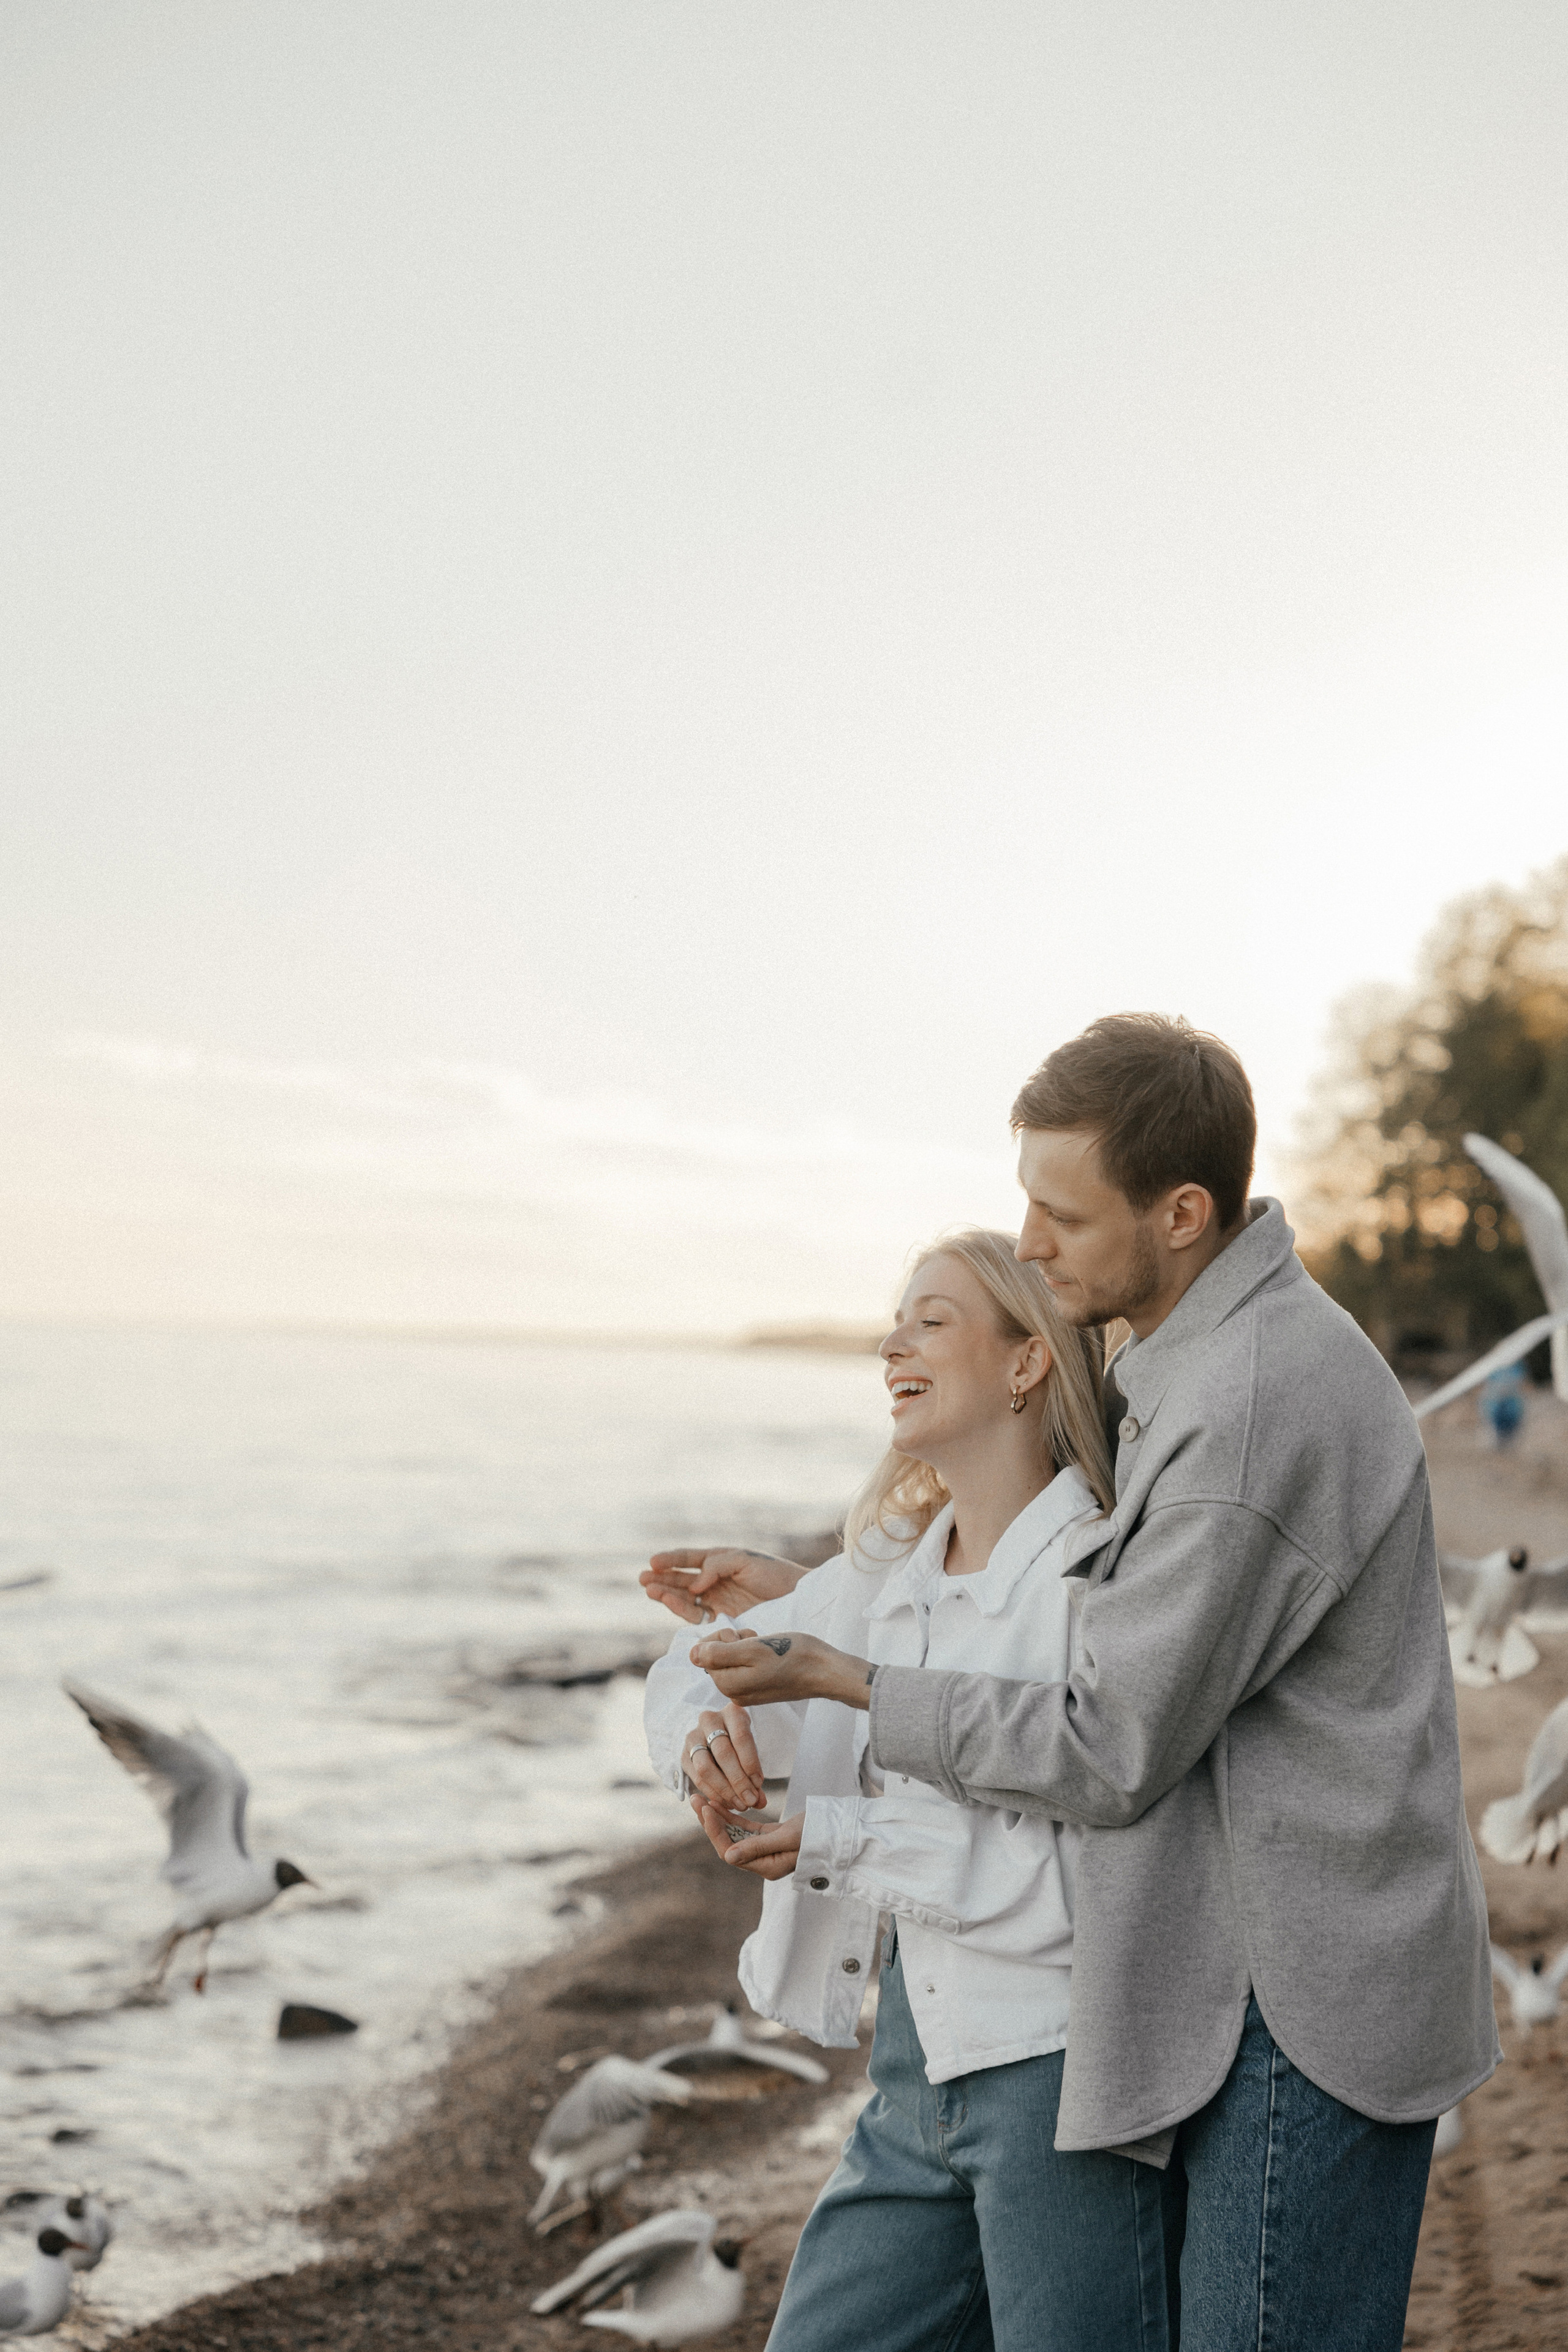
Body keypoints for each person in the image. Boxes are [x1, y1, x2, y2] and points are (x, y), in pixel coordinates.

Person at [649, 1015, 1498, 2352]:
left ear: (1179, 1212)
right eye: (1024, 1205)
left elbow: (1107, 1740)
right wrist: (819, 1593)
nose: (1032, 1245)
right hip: (1226, 1976)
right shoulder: (1179, 1356)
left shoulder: (1250, 1401)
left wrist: (846, 1674)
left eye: (1061, 1213)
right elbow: (1009, 1546)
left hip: (1300, 1995)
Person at [644, 1229, 1179, 2352]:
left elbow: (1061, 1879)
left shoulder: (1084, 1580)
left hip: (1058, 2086)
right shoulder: (897, 1575)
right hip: (915, 2074)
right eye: (898, 1320)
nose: (892, 1342)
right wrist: (707, 1740)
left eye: (929, 1320)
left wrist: (834, 1836)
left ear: (1027, 1362)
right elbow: (699, 1666)